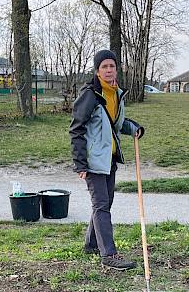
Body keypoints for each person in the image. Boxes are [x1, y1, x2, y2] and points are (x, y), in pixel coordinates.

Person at [69, 50, 144, 270]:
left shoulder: (116, 93)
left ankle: (92, 244)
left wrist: (134, 128)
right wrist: (80, 164)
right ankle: (109, 254)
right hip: (93, 161)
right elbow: (76, 129)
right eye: (104, 67)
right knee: (101, 205)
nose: (109, 70)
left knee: (105, 203)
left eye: (112, 66)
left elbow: (117, 123)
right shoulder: (90, 94)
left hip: (108, 158)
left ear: (116, 69)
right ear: (97, 70)